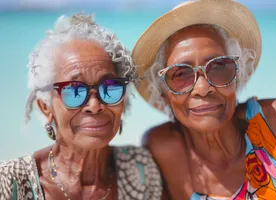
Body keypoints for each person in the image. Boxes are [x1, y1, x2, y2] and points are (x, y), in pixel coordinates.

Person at [132, 0, 276, 199]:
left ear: (237, 77)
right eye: (180, 74)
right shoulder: (164, 150)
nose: (203, 89)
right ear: (163, 93)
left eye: (219, 66)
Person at [0, 14, 163, 200]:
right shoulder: (9, 183)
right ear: (46, 107)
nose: (94, 106)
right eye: (74, 91)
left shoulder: (141, 170)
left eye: (109, 87)